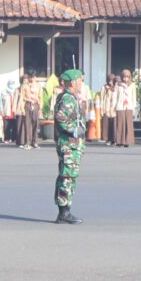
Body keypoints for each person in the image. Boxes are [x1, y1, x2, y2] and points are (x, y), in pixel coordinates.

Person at [53, 69, 86, 224]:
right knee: (67, 177)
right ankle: (64, 212)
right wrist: (73, 129)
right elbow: (60, 117)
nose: (81, 83)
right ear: (73, 82)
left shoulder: (70, 97)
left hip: (71, 145)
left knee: (69, 176)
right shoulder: (68, 98)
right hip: (68, 144)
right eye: (80, 81)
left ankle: (65, 210)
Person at [113, 69, 136, 147]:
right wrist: (114, 106)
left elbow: (134, 97)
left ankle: (127, 141)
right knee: (120, 124)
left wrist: (134, 107)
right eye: (124, 77)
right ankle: (119, 141)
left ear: (129, 77)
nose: (125, 79)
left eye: (127, 77)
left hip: (129, 106)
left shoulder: (132, 85)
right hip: (120, 106)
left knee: (128, 124)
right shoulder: (118, 85)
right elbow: (115, 96)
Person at [22, 73, 42, 149]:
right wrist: (22, 108)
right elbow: (22, 97)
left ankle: (35, 142)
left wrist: (40, 108)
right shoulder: (25, 86)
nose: (32, 79)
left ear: (35, 77)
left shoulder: (38, 86)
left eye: (33, 77)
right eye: (30, 77)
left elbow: (40, 97)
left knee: (35, 123)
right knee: (27, 124)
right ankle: (27, 142)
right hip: (28, 104)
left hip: (36, 104)